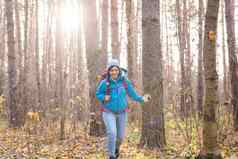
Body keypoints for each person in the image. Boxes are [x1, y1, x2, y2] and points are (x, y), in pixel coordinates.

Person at [96, 59, 151, 159]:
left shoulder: (125, 82)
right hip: (108, 112)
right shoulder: (105, 83)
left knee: (120, 137)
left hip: (122, 113)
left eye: (116, 70)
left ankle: (116, 148)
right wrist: (103, 97)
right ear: (108, 71)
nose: (114, 72)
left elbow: (132, 94)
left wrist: (142, 99)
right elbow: (98, 93)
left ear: (119, 70)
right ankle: (111, 155)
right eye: (111, 70)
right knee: (112, 133)